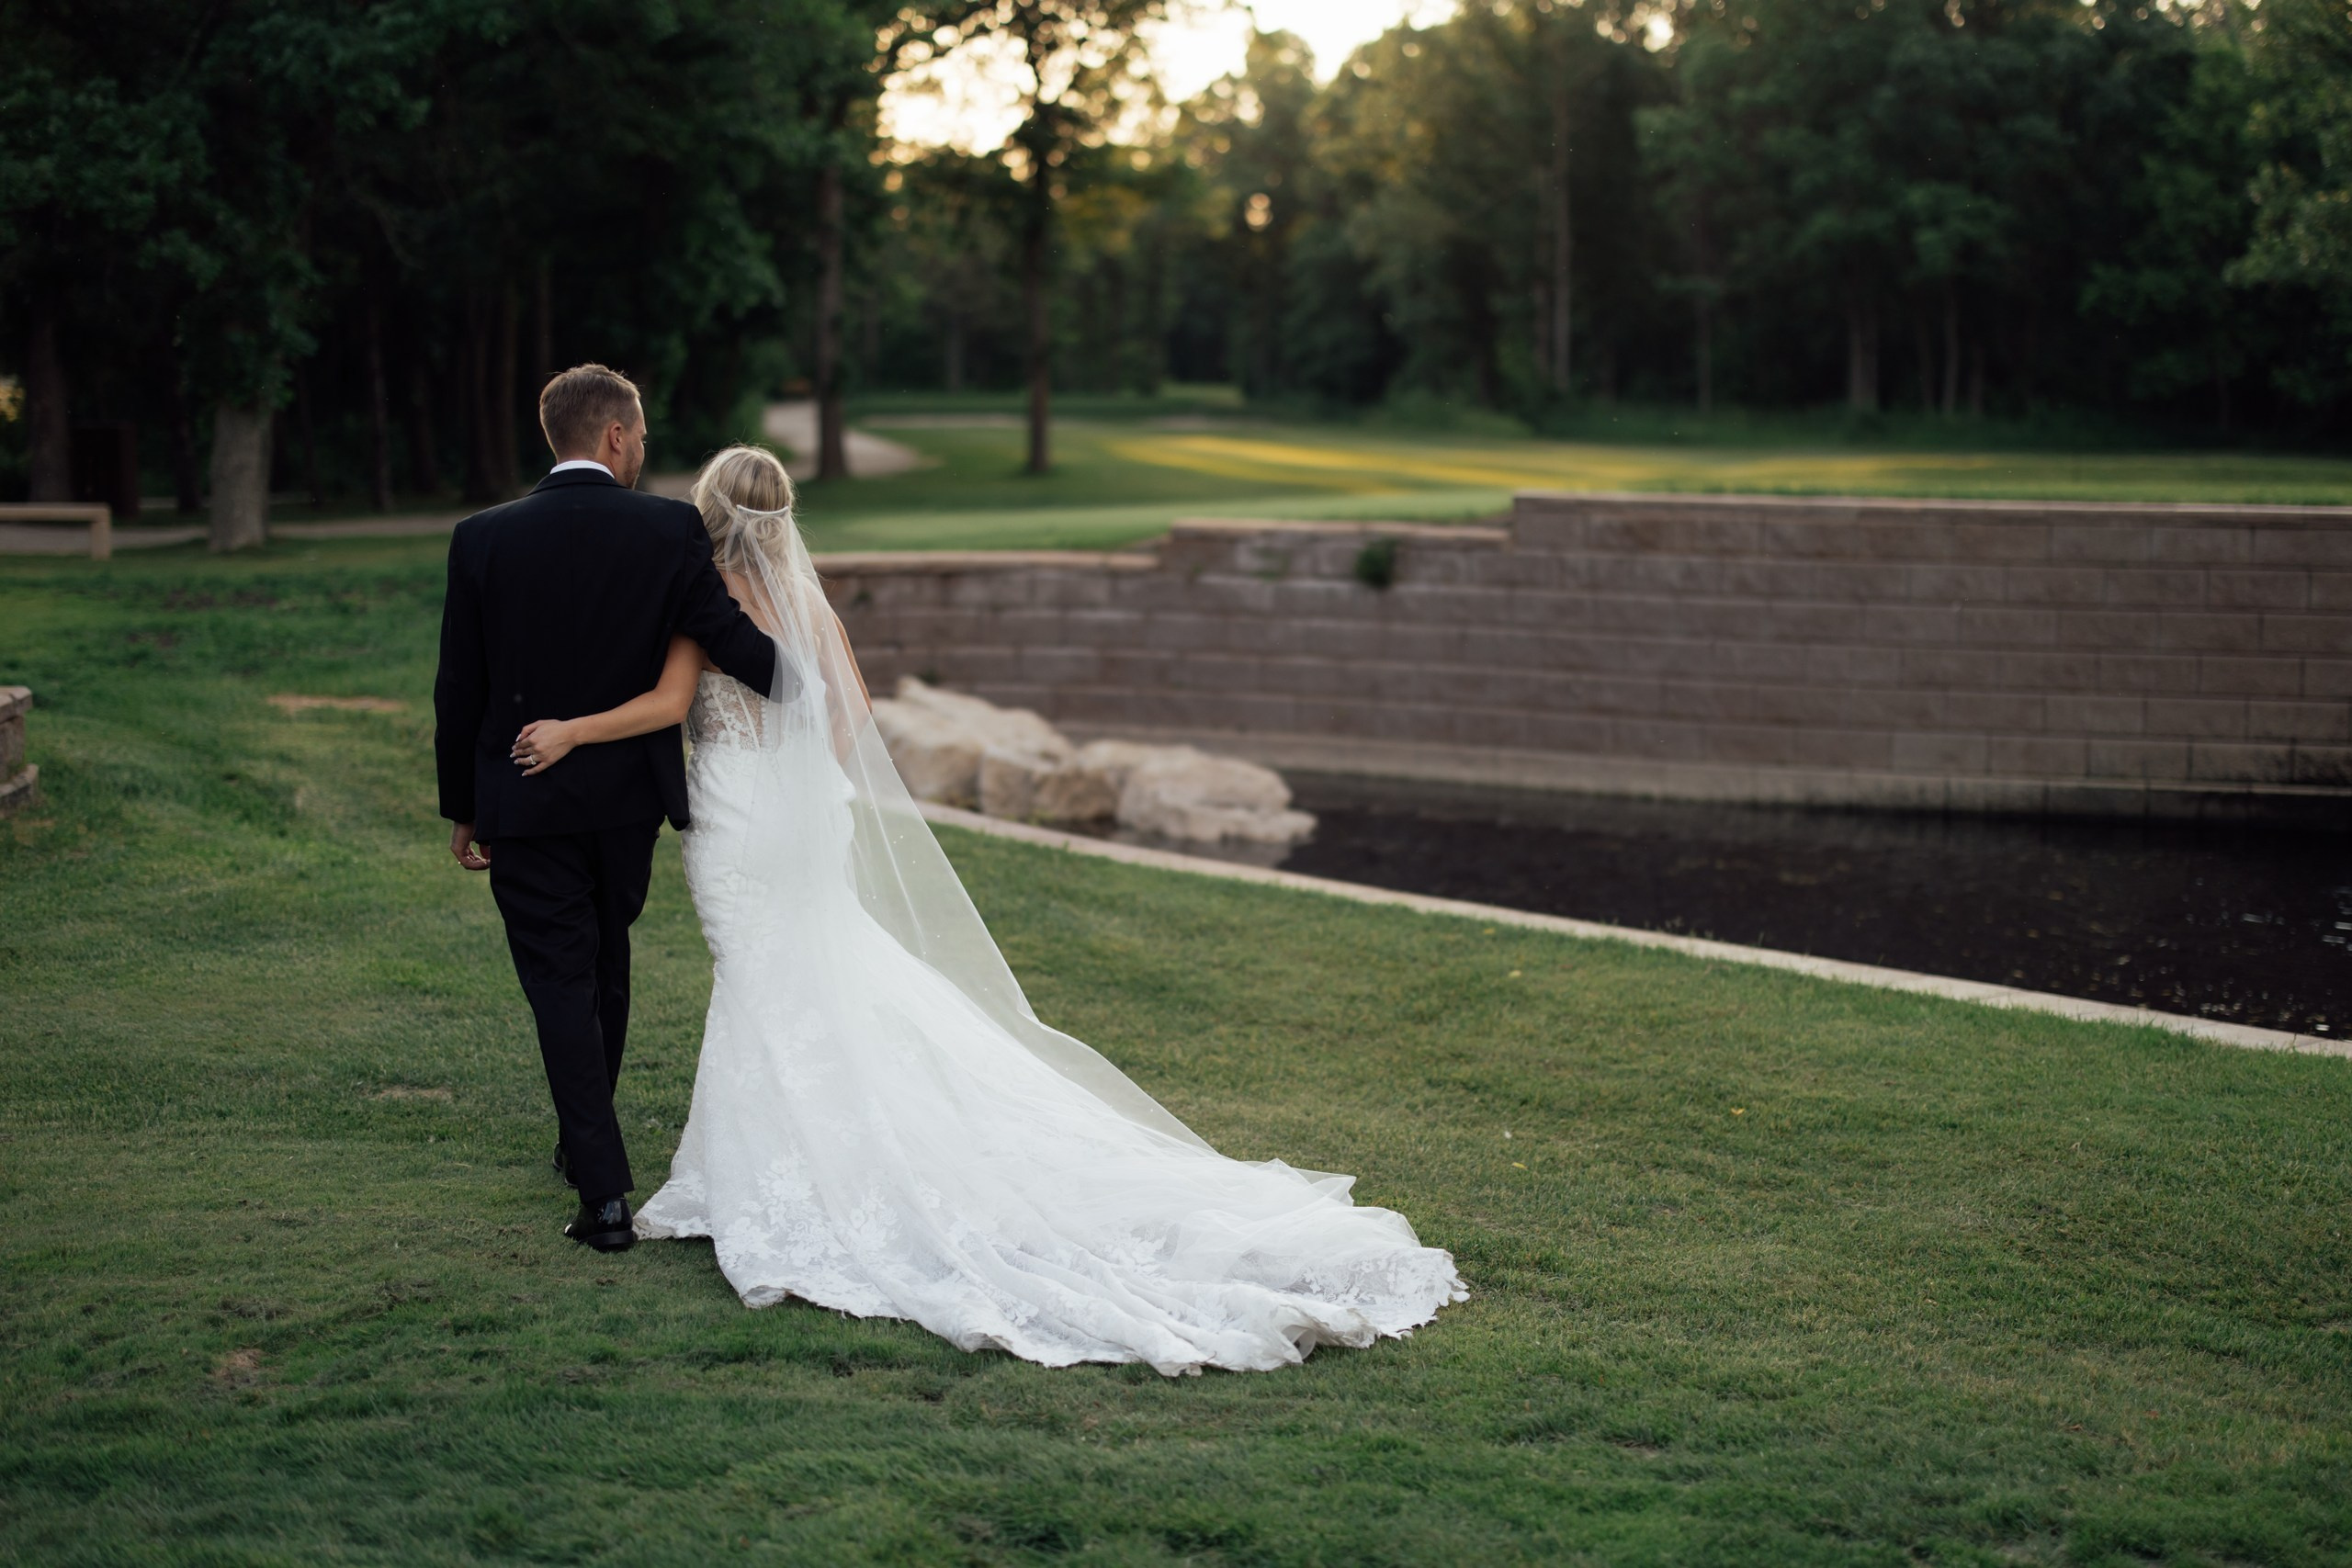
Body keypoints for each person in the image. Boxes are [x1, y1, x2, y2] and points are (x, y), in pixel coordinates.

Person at [508, 442, 1464, 1375]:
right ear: (783, 515)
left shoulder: (701, 602)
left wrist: (573, 731)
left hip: (732, 820)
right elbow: (856, 712)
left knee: (759, 977)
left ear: (709, 511)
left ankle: (756, 1179)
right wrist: (807, 783)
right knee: (815, 971)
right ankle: (756, 1163)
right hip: (801, 821)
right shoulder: (804, 600)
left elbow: (673, 704)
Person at [433, 365, 786, 1254]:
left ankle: (604, 1196)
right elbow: (730, 641)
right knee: (605, 965)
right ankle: (584, 1145)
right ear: (616, 437)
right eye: (642, 436)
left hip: (524, 791)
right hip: (627, 805)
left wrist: (463, 808)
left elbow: (458, 688)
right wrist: (808, 680)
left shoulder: (481, 538)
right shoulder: (668, 529)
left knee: (561, 981)